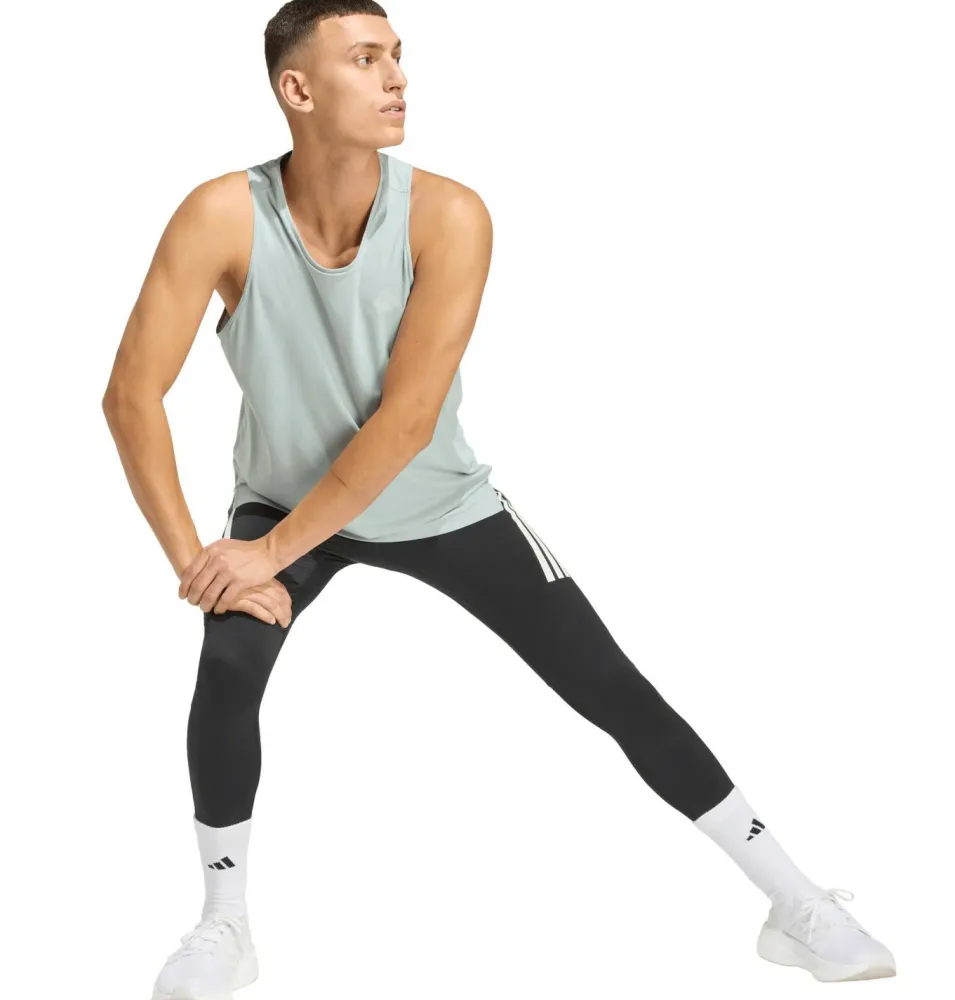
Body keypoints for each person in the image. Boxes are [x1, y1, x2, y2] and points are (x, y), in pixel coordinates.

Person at [101, 3, 897, 997]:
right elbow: (131, 394)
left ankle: (796, 902)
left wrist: (263, 557)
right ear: (295, 89)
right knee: (227, 669)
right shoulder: (222, 213)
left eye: (397, 56)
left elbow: (405, 422)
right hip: (282, 505)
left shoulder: (449, 214)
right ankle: (223, 924)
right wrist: (201, 562)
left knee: (609, 685)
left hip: (435, 502)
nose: (397, 76)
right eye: (365, 58)